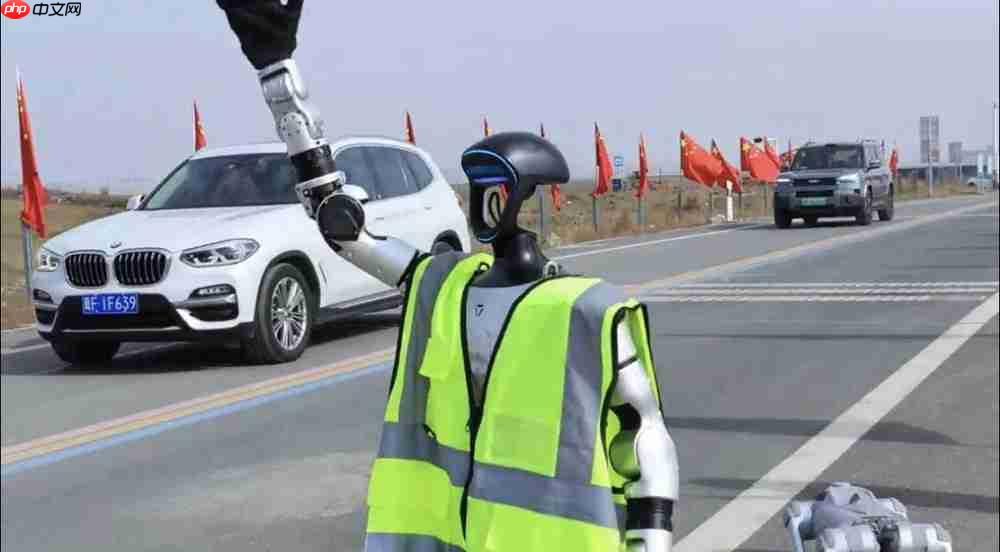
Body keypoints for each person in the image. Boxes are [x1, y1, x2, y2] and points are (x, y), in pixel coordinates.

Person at [217, 1, 678, 551]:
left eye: (497, 188)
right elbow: (343, 231)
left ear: (525, 194)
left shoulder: (589, 312)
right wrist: (278, 76)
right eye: (476, 186)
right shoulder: (443, 286)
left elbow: (644, 432)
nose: (484, 203)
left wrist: (651, 537)